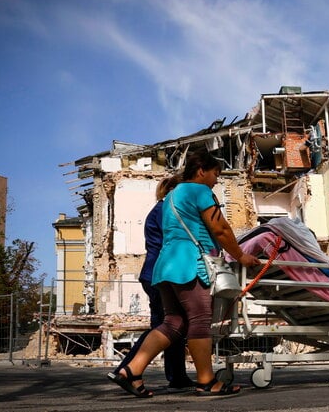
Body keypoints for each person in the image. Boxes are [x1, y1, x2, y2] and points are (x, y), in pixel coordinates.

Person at [109, 150, 261, 398]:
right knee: (200, 319)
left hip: (165, 267)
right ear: (201, 171)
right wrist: (241, 255)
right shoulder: (199, 191)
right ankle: (206, 381)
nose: (216, 180)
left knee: (173, 323)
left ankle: (131, 371)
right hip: (189, 264)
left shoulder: (170, 197)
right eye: (215, 174)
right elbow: (220, 228)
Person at [107, 174, 196, 390]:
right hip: (161, 274)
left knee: (174, 325)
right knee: (166, 326)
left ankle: (177, 377)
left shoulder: (159, 210)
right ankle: (127, 369)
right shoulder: (166, 211)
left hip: (154, 273)